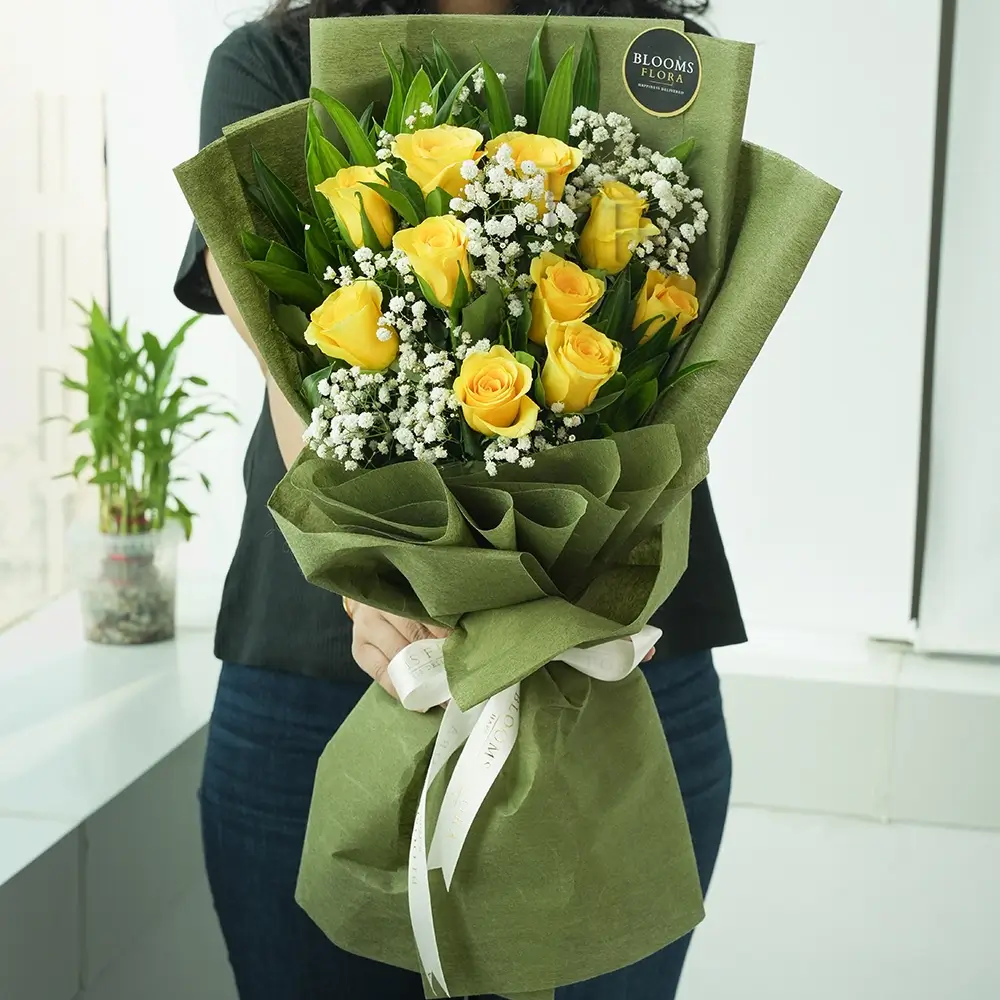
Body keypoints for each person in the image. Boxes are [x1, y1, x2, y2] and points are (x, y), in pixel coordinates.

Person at [175, 1, 743, 997]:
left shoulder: (664, 60)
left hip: (617, 661)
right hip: (331, 663)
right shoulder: (269, 63)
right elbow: (287, 363)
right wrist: (374, 577)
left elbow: (689, 360)